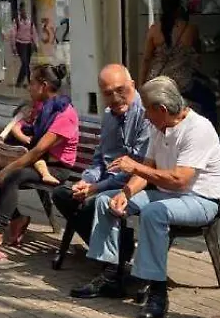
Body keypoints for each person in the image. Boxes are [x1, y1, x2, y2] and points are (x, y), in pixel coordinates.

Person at [70, 76, 220, 318]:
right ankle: (111, 276)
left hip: (200, 200)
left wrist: (135, 168)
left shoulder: (198, 129)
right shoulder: (158, 127)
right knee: (105, 201)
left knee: (154, 212)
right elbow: (147, 169)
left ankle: (157, 293)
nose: (144, 116)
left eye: (147, 110)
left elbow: (180, 180)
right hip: (165, 194)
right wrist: (125, 193)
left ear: (161, 110)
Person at [0, 63, 78, 264]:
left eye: (31, 83)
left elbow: (38, 150)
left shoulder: (64, 114)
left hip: (58, 169)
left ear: (44, 85)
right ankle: (17, 219)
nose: (28, 88)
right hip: (38, 162)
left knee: (13, 176)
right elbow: (30, 139)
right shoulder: (45, 109)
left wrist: (8, 169)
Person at [52, 64, 153, 251]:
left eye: (120, 90)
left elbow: (137, 166)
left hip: (135, 184)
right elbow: (100, 157)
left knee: (96, 204)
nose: (115, 98)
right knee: (62, 195)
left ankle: (113, 255)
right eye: (108, 93)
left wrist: (96, 188)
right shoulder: (109, 115)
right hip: (105, 182)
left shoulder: (147, 114)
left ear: (133, 84)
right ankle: (116, 249)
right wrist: (86, 180)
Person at [139, 0, 217, 123]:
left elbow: (147, 59)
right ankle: (211, 131)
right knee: (209, 98)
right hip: (182, 82)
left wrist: (142, 85)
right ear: (178, 8)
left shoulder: (154, 30)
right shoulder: (190, 28)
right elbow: (197, 55)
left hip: (157, 80)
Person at [11, 6, 35, 87]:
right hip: (20, 44)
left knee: (26, 64)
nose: (24, 12)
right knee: (25, 63)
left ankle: (20, 82)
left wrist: (36, 44)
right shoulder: (17, 21)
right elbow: (13, 34)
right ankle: (30, 81)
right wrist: (13, 46)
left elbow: (33, 33)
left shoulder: (30, 21)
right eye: (22, 11)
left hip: (28, 44)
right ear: (20, 12)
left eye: (25, 11)